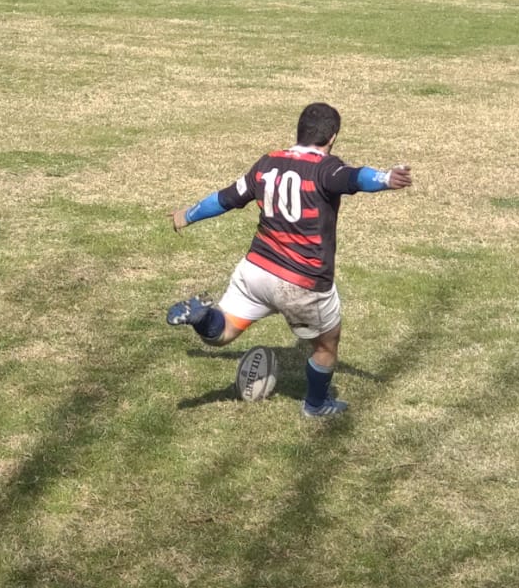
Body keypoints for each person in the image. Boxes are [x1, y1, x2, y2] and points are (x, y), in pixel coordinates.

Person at [166, 103, 412, 418]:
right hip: (302, 283)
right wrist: (386, 178)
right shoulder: (326, 168)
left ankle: (202, 318)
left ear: (299, 131)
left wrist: (187, 215)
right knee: (326, 345)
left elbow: (226, 198)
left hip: (256, 272)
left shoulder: (267, 163)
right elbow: (353, 178)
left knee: (222, 332)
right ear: (332, 137)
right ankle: (316, 404)